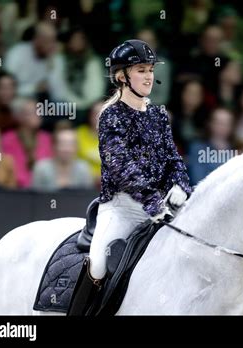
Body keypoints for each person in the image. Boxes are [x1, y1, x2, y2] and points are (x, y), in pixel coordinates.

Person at [68, 40, 192, 316]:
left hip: (163, 209)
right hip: (122, 209)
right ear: (122, 76)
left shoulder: (159, 115)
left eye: (150, 70)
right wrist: (152, 201)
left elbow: (173, 159)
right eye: (141, 70)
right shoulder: (111, 116)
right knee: (98, 262)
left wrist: (181, 186)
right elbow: (120, 166)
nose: (149, 76)